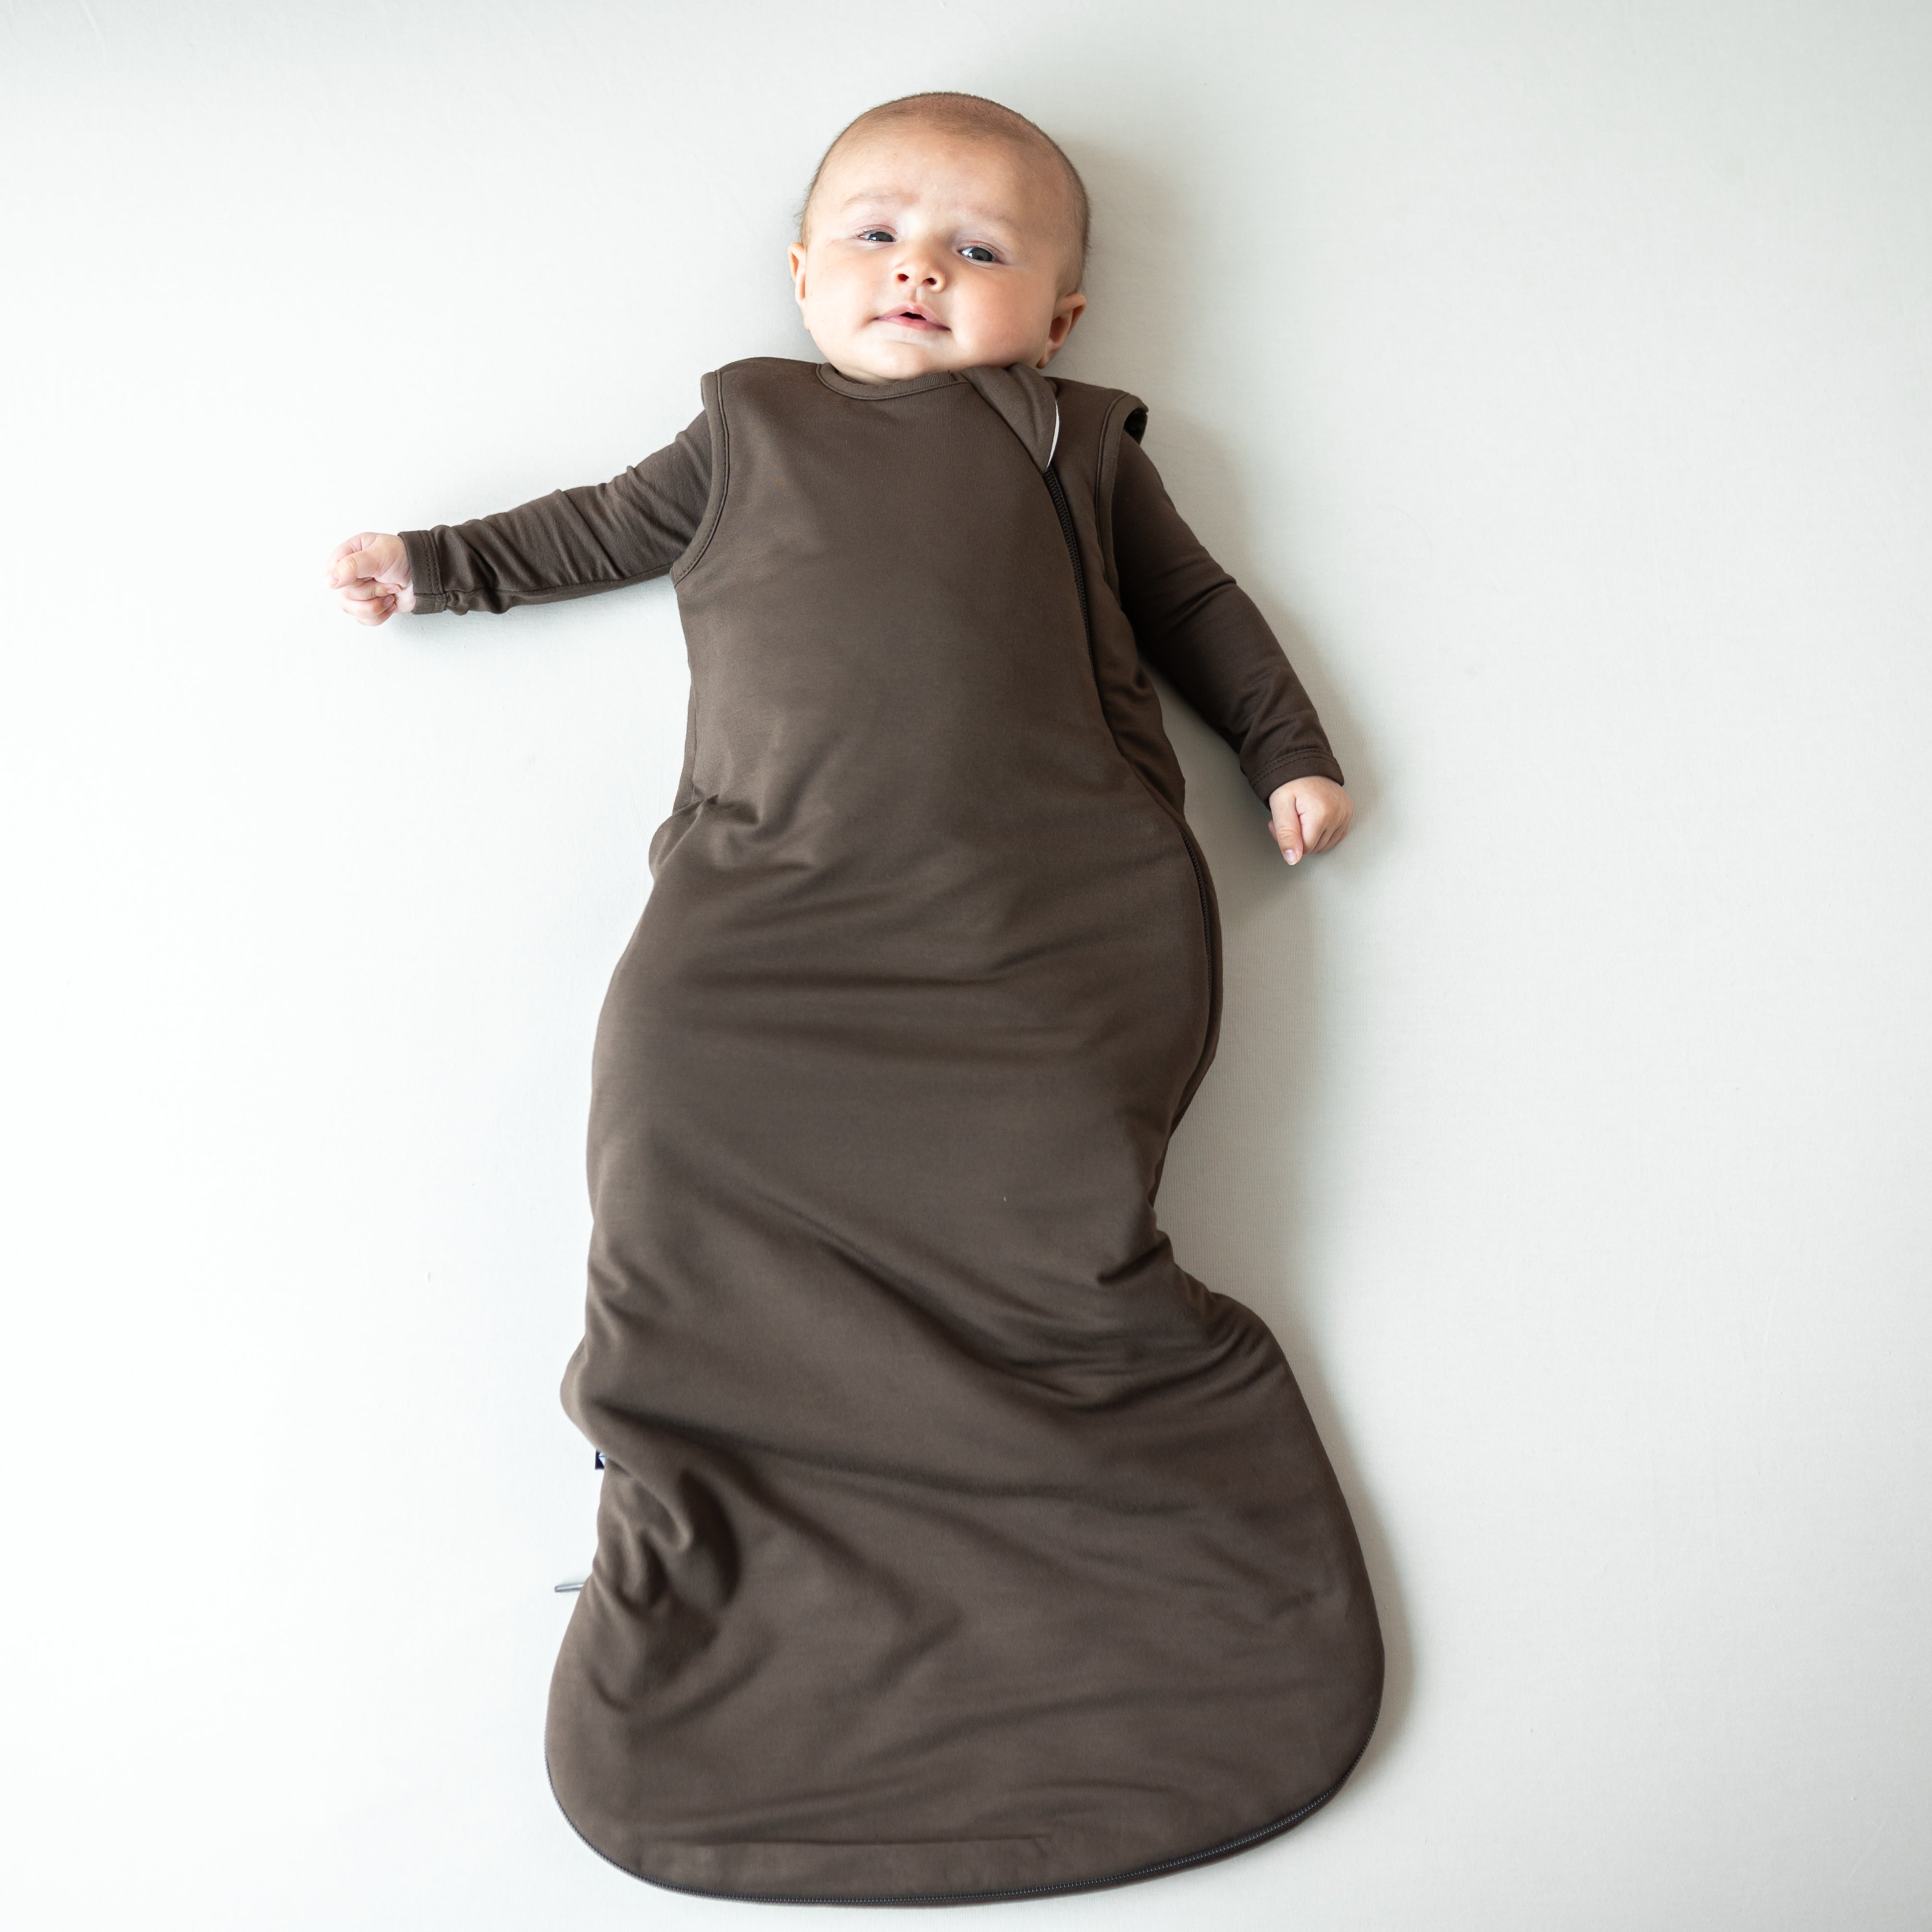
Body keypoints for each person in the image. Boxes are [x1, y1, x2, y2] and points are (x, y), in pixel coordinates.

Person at [326, 91, 1381, 1905]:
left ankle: (1095, 1545)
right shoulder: (748, 425)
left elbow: (1201, 608)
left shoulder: (1074, 439)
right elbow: (599, 527)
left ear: (1054, 318)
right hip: (767, 919)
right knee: (668, 1160)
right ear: (805, 274)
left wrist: (1285, 750)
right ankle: (729, 1529)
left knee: (1049, 1210)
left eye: (981, 250)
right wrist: (445, 567)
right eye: (882, 235)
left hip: (1037, 921)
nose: (922, 268)